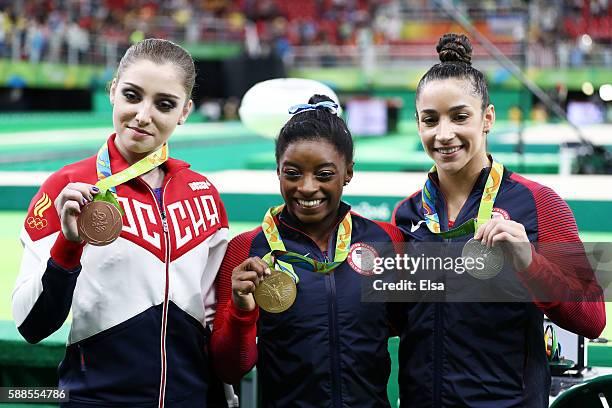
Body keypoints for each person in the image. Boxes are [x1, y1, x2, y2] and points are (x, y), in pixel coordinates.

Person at [12, 39, 230, 407]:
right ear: (113, 91)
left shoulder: (203, 195)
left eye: (164, 104)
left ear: (185, 111)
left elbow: (214, 322)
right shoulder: (66, 187)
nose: (144, 115)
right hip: (95, 400)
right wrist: (69, 245)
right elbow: (31, 325)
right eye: (132, 95)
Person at [392, 33, 606, 407]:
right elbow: (401, 320)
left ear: (487, 118)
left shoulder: (539, 203)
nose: (444, 134)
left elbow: (591, 318)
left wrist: (529, 262)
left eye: (460, 117)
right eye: (430, 120)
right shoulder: (406, 214)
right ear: (418, 124)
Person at [210, 95, 404, 407]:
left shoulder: (388, 240)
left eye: (324, 174)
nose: (307, 187)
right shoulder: (246, 250)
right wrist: (242, 313)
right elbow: (230, 368)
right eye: (293, 173)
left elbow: (413, 330)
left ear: (348, 173)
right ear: (278, 171)